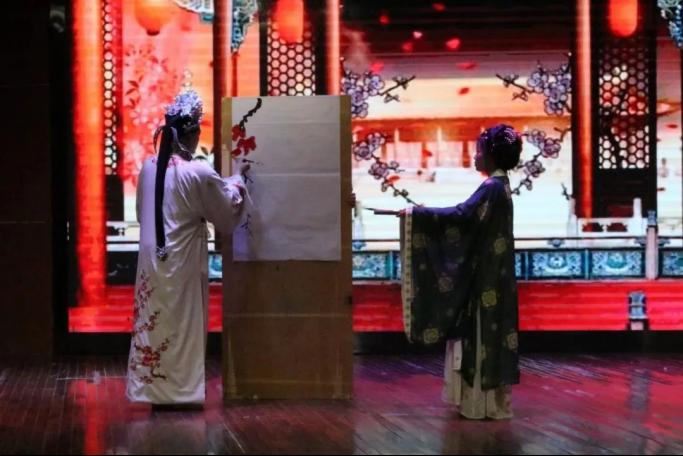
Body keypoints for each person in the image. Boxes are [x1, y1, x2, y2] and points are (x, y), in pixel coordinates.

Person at [126, 89, 249, 405]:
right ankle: (181, 392)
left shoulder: (149, 167)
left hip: (153, 261)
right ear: (192, 136)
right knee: (182, 323)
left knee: (155, 321)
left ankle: (153, 391)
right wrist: (238, 180)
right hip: (182, 261)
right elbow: (225, 210)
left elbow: (142, 213)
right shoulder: (198, 172)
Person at [400, 124, 522, 419]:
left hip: (485, 277)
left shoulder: (492, 187)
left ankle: (479, 403)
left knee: (480, 334)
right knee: (488, 334)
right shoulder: (499, 186)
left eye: (479, 151)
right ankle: (487, 403)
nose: (476, 157)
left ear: (491, 155)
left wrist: (418, 214)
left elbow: (461, 217)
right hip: (494, 273)